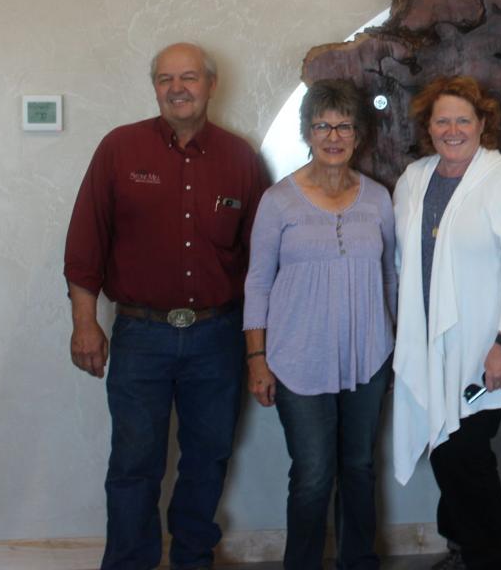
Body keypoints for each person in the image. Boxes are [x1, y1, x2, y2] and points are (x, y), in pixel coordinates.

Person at [64, 42, 268, 570]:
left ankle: (193, 560)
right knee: (135, 464)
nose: (177, 88)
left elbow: (262, 265)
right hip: (140, 335)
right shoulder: (119, 149)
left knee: (207, 459)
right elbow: (85, 244)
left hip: (217, 338)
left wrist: (257, 350)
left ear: (211, 84)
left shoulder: (241, 159)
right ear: (154, 86)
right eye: (164, 79)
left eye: (189, 77)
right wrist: (84, 324)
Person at [390, 75, 501, 570]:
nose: (452, 129)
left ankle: (492, 560)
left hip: (486, 354)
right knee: (445, 448)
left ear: (482, 124)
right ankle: (461, 548)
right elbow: (401, 262)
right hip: (432, 347)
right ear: (427, 128)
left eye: (463, 119)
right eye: (442, 120)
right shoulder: (414, 179)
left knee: (466, 455)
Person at [243, 79, 397, 570]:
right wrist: (256, 358)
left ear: (359, 134)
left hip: (367, 357)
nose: (334, 136)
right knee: (312, 475)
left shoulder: (378, 198)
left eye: (344, 125)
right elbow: (257, 283)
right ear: (308, 132)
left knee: (359, 468)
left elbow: (390, 276)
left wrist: (393, 346)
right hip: (296, 359)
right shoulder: (278, 201)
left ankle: (359, 562)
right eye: (323, 125)